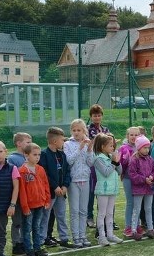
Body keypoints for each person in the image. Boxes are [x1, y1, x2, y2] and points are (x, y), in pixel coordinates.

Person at [39, 127, 73, 248]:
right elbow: (44, 174)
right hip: (50, 193)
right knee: (45, 216)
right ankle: (41, 240)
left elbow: (67, 171)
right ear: (54, 141)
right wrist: (54, 186)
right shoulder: (44, 155)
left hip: (61, 192)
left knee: (61, 215)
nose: (64, 142)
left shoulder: (62, 155)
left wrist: (64, 185)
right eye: (62, 140)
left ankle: (64, 238)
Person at [64, 119, 94, 248]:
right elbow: (69, 161)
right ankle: (75, 236)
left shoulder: (87, 143)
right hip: (73, 180)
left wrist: (89, 149)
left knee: (83, 210)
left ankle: (83, 235)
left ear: (84, 131)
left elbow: (90, 163)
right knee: (74, 210)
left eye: (79, 130)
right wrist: (79, 148)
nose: (76, 133)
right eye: (74, 130)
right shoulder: (67, 144)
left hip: (85, 179)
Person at [18, 143, 51, 256]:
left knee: (37, 227)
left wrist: (47, 199)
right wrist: (25, 206)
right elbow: (21, 191)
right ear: (26, 155)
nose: (37, 157)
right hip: (29, 206)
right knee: (27, 228)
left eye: (39, 155)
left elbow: (46, 185)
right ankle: (29, 250)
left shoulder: (40, 169)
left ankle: (38, 248)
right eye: (34, 155)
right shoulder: (22, 171)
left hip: (40, 204)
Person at [93, 133, 123, 246]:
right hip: (103, 190)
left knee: (110, 213)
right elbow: (106, 172)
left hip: (112, 189)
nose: (113, 148)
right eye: (110, 146)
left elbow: (120, 171)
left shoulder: (111, 158)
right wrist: (114, 162)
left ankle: (110, 235)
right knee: (102, 213)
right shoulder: (98, 159)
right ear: (102, 147)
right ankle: (101, 236)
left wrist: (117, 162)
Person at [6, 132, 32, 256]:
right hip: (17, 197)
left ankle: (25, 242)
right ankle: (17, 244)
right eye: (28, 142)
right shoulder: (13, 159)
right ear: (18, 143)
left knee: (27, 221)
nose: (30, 144)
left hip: (28, 196)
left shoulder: (30, 157)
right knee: (17, 222)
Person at [128, 135, 154, 240]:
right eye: (144, 147)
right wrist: (144, 179)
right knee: (137, 209)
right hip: (138, 189)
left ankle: (151, 229)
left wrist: (152, 177)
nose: (147, 150)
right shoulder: (134, 160)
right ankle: (134, 230)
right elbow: (132, 175)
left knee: (148, 208)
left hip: (149, 188)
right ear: (138, 148)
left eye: (148, 148)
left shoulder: (150, 159)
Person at [87, 104, 110, 229]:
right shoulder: (87, 130)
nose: (97, 118)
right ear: (91, 117)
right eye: (94, 115)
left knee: (104, 191)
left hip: (105, 163)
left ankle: (106, 218)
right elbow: (91, 145)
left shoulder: (105, 130)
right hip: (93, 164)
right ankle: (89, 217)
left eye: (99, 115)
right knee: (92, 191)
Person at [119, 126, 140, 237]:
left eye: (136, 135)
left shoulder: (141, 147)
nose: (133, 137)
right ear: (127, 136)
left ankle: (137, 225)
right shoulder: (123, 148)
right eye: (131, 134)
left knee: (138, 203)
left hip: (140, 180)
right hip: (128, 179)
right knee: (130, 203)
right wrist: (122, 173)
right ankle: (128, 226)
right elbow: (121, 164)